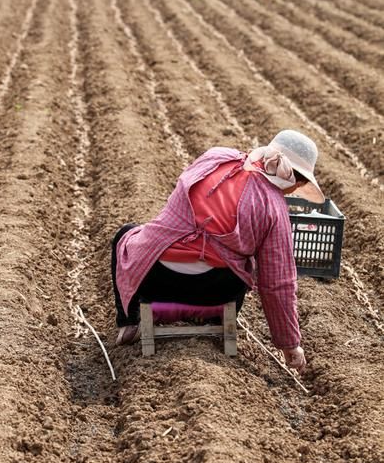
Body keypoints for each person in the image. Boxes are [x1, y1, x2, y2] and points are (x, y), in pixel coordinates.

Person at [112, 130, 325, 373]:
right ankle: (214, 319)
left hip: (156, 279)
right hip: (213, 292)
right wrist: (289, 344)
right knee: (246, 264)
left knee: (125, 234)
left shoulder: (216, 158)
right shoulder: (274, 208)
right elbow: (277, 284)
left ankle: (128, 322)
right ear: (294, 180)